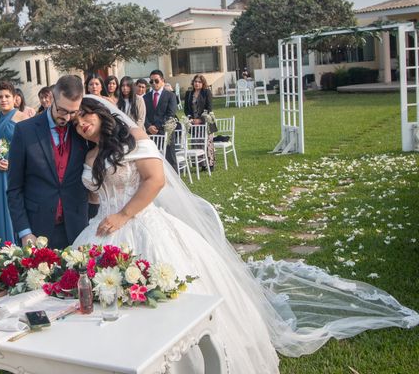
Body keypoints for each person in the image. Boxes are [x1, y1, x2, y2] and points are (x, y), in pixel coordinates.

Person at [72, 96, 419, 374]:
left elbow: (155, 180)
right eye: (76, 121)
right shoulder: (89, 154)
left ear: (102, 113)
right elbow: (96, 194)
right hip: (103, 229)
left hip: (141, 224)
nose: (82, 124)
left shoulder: (134, 139)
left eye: (86, 116)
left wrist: (123, 214)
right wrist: (104, 211)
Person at [7, 75, 90, 249]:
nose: (67, 118)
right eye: (62, 110)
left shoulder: (83, 131)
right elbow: (14, 188)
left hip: (78, 227)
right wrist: (24, 231)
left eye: (73, 112)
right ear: (52, 97)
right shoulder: (24, 131)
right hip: (37, 230)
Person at [0, 82, 28, 243]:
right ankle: (3, 246)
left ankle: (20, 245)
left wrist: (15, 163)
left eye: (7, 96)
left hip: (17, 171)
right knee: (1, 208)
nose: (3, 100)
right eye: (0, 97)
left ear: (15, 98)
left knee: (16, 207)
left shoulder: (23, 118)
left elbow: (29, 148)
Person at [143, 69, 178, 171]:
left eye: (156, 81)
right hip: (150, 134)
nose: (154, 84)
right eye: (151, 81)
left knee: (170, 160)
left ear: (163, 80)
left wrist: (157, 127)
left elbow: (170, 114)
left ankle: (174, 185)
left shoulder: (170, 95)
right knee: (152, 161)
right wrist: (148, 126)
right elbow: (142, 115)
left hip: (166, 132)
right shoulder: (145, 97)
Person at [183, 74, 215, 171]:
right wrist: (191, 119)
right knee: (196, 142)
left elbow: (209, 108)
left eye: (199, 82)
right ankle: (201, 164)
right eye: (195, 81)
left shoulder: (206, 92)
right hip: (193, 123)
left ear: (203, 83)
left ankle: (210, 164)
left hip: (206, 121)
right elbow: (186, 109)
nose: (197, 83)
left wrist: (200, 119)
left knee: (207, 142)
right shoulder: (189, 94)